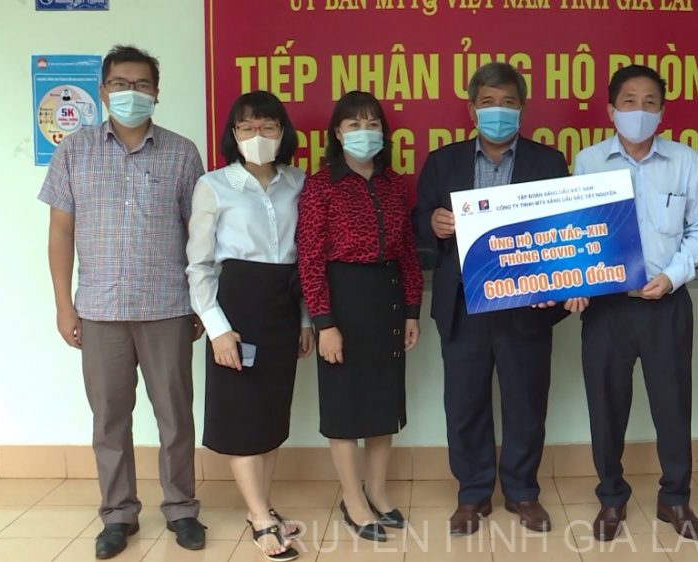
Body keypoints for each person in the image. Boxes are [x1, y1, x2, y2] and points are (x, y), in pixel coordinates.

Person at [38, 45, 206, 560]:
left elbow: (198, 235)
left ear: (156, 92)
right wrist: (64, 305)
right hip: (100, 310)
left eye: (142, 85)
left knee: (175, 416)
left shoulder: (182, 152)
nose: (131, 93)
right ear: (104, 90)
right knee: (109, 418)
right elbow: (60, 232)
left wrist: (202, 303)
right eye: (120, 84)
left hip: (167, 307)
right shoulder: (75, 151)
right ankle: (118, 513)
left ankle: (181, 507)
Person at [414, 62, 569, 536]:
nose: (497, 111)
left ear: (522, 108)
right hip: (464, 305)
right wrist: (435, 223)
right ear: (472, 109)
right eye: (488, 102)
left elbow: (563, 232)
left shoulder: (548, 162)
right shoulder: (443, 162)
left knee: (526, 402)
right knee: (465, 404)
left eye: (507, 102)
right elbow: (418, 221)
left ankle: (522, 491)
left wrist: (554, 285)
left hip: (525, 304)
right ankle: (473, 493)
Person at [569, 64, 698, 542]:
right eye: (629, 101)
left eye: (649, 102)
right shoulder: (589, 162)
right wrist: (575, 278)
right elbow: (575, 232)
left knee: (673, 407)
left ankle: (675, 498)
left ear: (662, 112)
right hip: (607, 308)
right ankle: (611, 497)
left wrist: (674, 276)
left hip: (666, 303)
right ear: (611, 110)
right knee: (606, 407)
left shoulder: (684, 160)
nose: (639, 110)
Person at [186, 91, 313, 561]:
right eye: (247, 127)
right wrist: (217, 328)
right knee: (242, 413)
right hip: (236, 305)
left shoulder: (299, 182)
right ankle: (259, 517)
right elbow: (199, 266)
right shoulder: (214, 186)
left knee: (272, 413)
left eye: (268, 126)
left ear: (283, 132)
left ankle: (264, 504)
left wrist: (305, 319)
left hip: (284, 304)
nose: (258, 135)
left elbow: (306, 258)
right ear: (233, 134)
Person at [296, 91, 423, 542]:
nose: (364, 132)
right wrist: (324, 323)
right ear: (337, 133)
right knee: (346, 407)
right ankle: (353, 500)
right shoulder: (321, 185)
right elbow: (309, 259)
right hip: (342, 302)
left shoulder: (393, 183)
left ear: (383, 133)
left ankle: (378, 492)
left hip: (386, 299)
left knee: (383, 403)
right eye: (353, 124)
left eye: (372, 124)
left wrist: (412, 311)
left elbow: (408, 253)